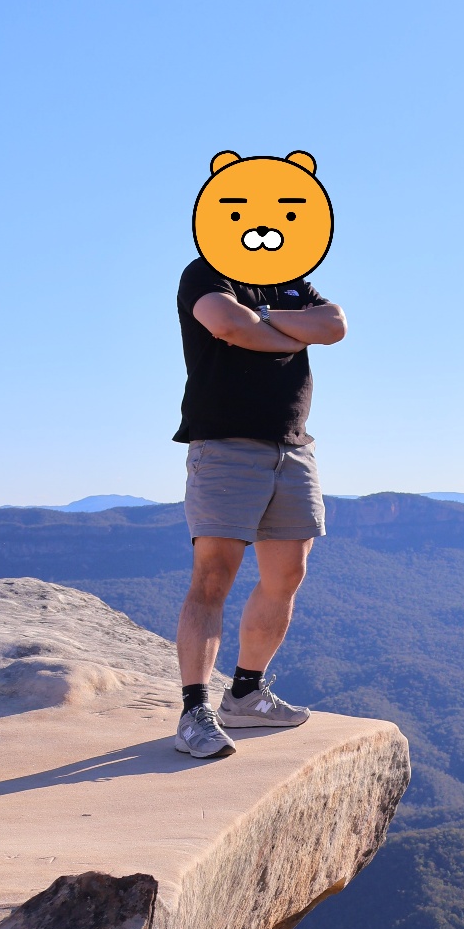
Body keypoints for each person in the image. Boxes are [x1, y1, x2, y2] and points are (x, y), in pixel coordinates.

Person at [171, 255, 346, 759]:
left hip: (293, 446)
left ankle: (245, 694)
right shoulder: (207, 273)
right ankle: (194, 711)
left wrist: (263, 320)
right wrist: (292, 333)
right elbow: (227, 324)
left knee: (287, 574)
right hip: (224, 443)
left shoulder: (291, 280)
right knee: (213, 576)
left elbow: (333, 326)